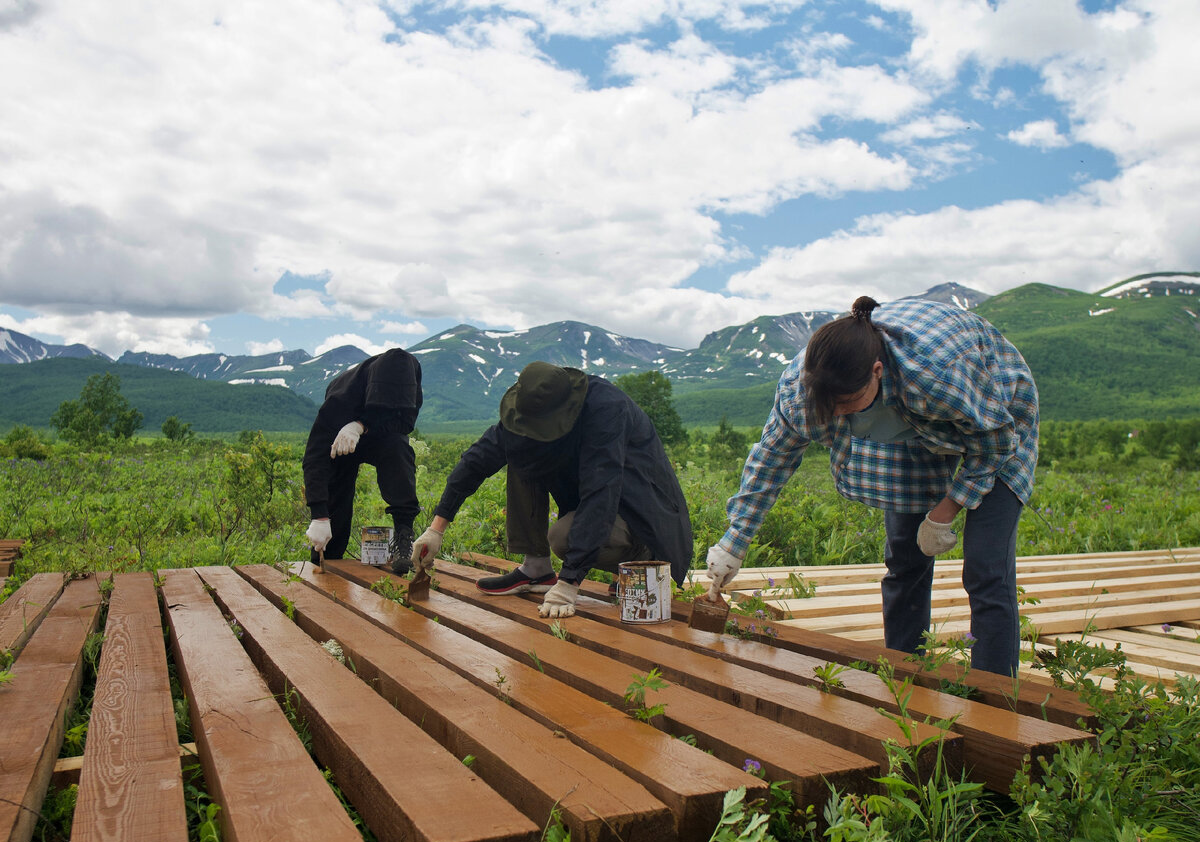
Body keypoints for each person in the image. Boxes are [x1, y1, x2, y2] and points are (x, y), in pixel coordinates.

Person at [706, 296, 1039, 676]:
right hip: (914, 432)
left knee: (985, 567)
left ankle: (994, 695)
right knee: (905, 557)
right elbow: (772, 459)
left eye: (847, 402)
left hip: (996, 412)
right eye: (826, 403)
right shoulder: (801, 391)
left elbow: (993, 442)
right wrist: (735, 541)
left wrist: (945, 512)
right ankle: (905, 674)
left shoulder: (936, 375)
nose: (835, 413)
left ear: (877, 371)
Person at [410, 361, 693, 618]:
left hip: (644, 518)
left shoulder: (607, 409)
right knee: (522, 451)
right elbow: (475, 461)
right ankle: (536, 569)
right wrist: (436, 529)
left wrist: (569, 583)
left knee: (563, 537)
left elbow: (601, 493)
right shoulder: (528, 410)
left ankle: (641, 562)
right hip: (596, 505)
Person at [303, 348, 423, 574]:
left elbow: (405, 424)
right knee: (336, 500)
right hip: (341, 440)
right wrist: (319, 514)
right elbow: (315, 456)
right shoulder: (342, 395)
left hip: (379, 435)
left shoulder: (412, 377)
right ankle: (324, 563)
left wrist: (361, 426)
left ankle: (403, 535)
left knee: (398, 448)